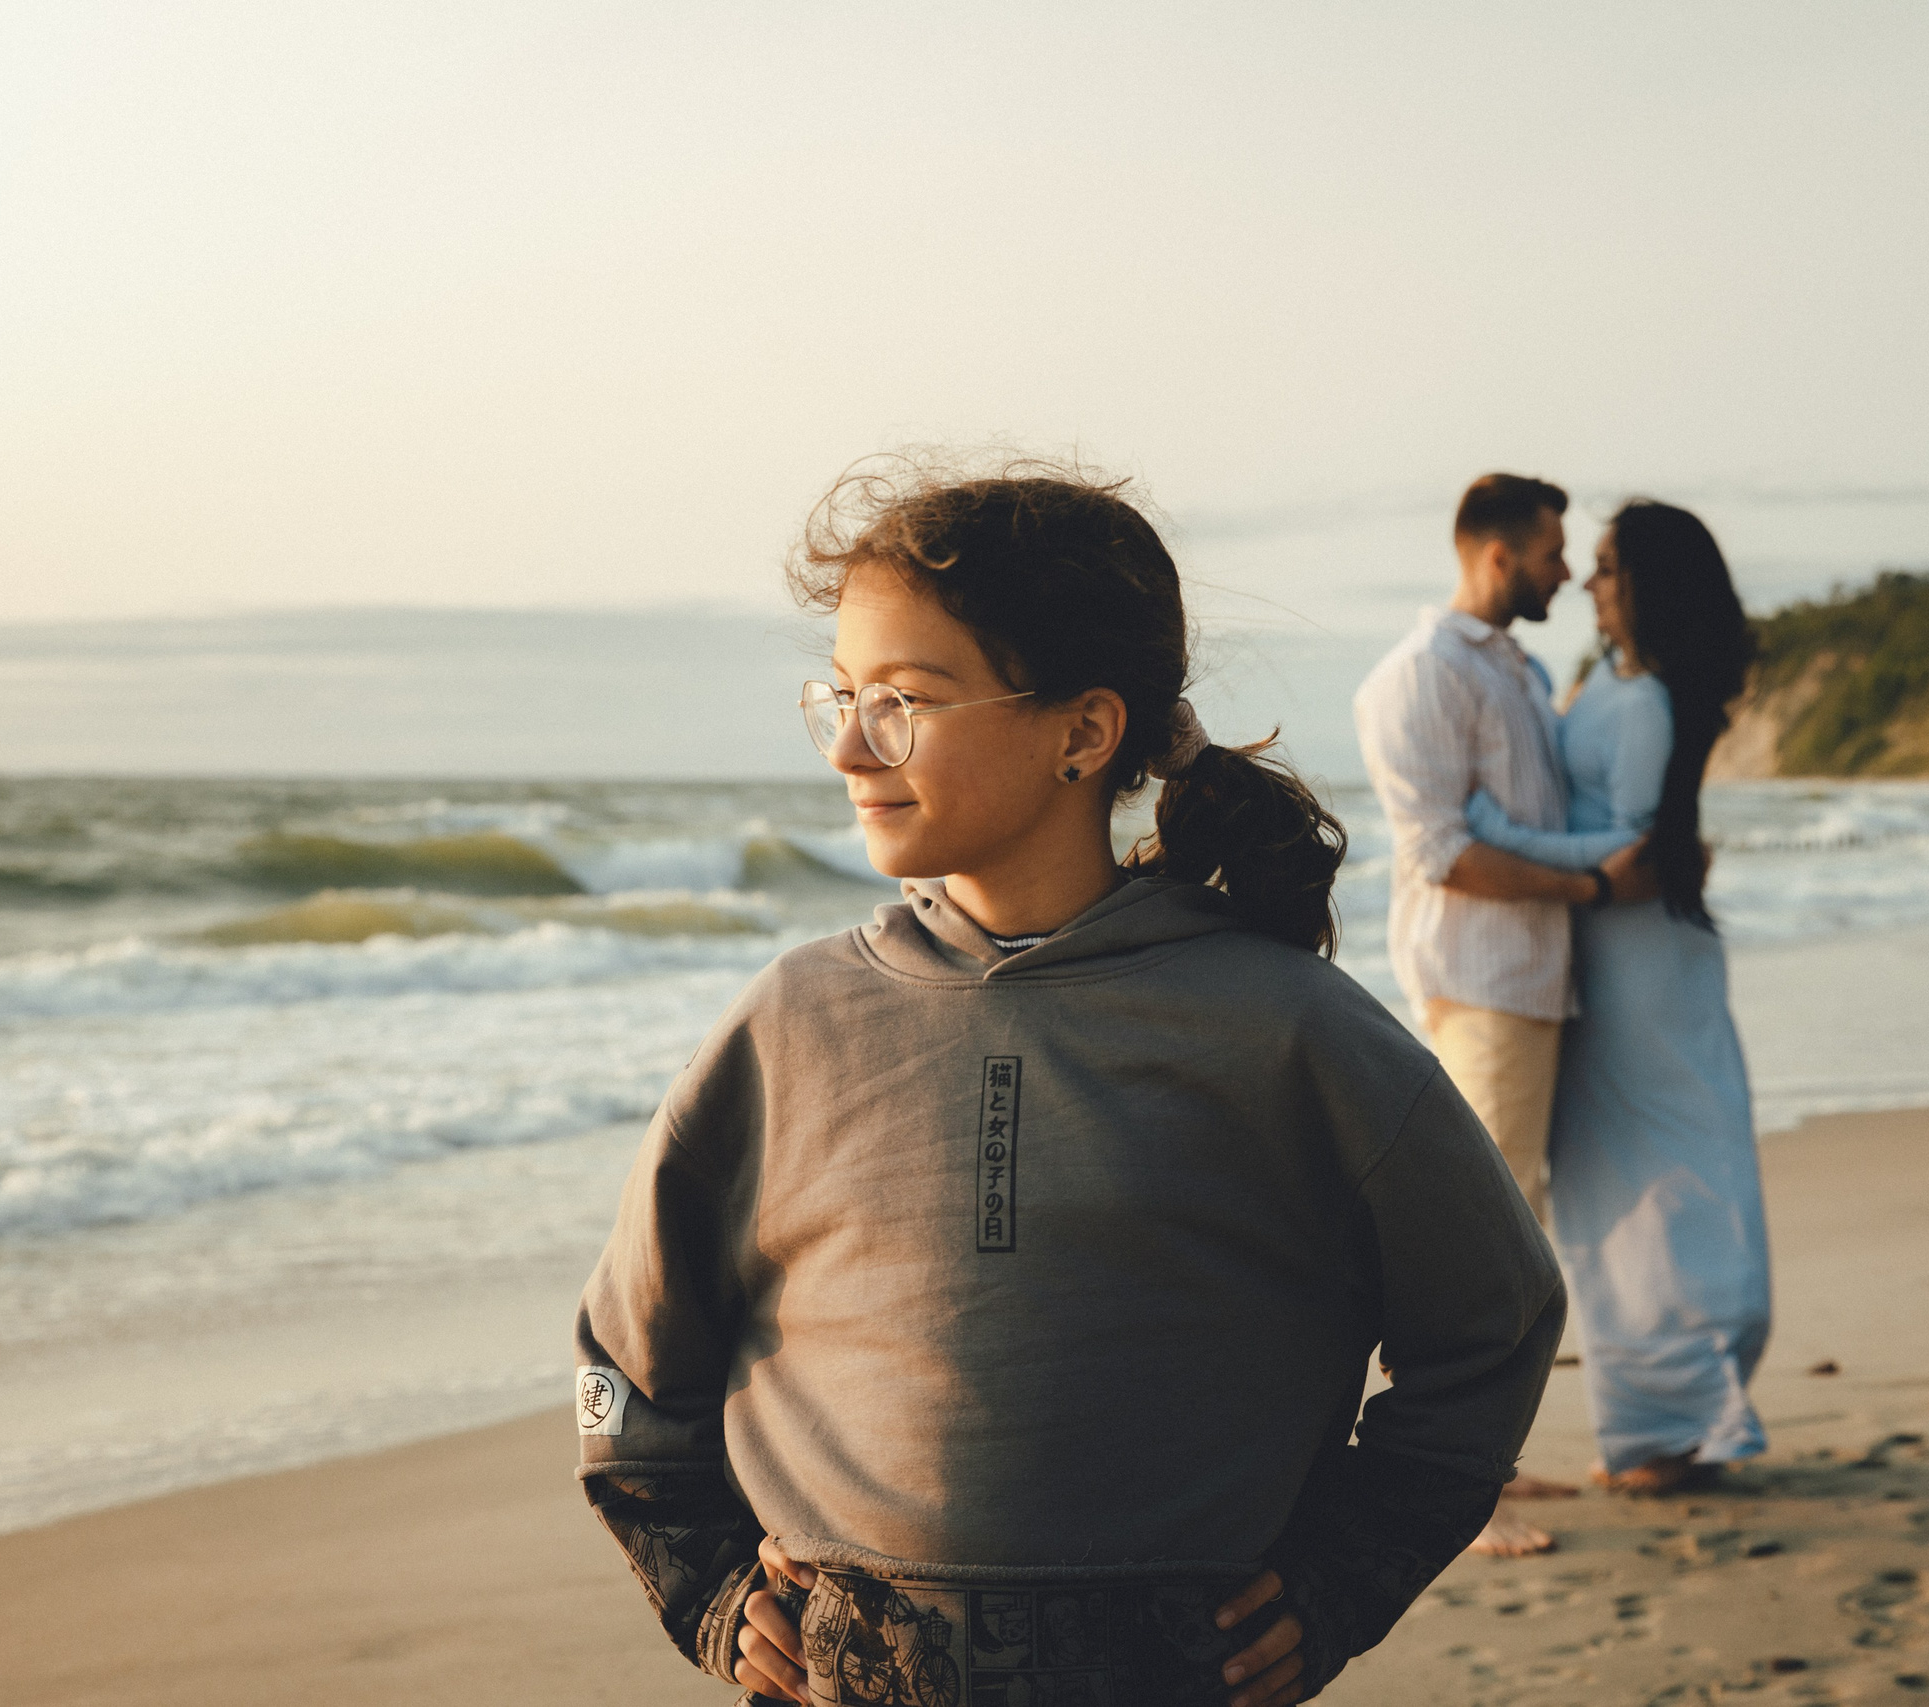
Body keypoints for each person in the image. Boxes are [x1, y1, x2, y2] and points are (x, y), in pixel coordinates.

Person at [573, 457, 1565, 1707]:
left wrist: (1339, 1580)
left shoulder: (1283, 1028)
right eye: (840, 694)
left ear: (1084, 732)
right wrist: (710, 1591)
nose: (848, 745)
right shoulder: (791, 1024)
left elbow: (1495, 1319)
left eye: (905, 699)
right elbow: (626, 1351)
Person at [1350, 473, 1652, 1556]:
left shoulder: (1511, 669)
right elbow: (1441, 853)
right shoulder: (1421, 675)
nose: (1566, 572)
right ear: (1495, 556)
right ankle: (1445, 1498)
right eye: (1550, 552)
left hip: (1530, 983)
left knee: (1509, 1234)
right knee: (1472, 1250)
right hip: (1479, 984)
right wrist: (1593, 890)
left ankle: (1484, 1473)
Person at [1459, 500, 1771, 1496]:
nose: (1588, 583)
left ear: (1647, 584)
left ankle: (1684, 1413)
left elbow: (1632, 852)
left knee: (1667, 1171)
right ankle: (1651, 1428)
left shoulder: (1648, 702)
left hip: (1641, 964)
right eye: (1584, 564)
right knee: (1606, 1187)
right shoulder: (1605, 681)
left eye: (1604, 566)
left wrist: (1488, 838)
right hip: (1596, 955)